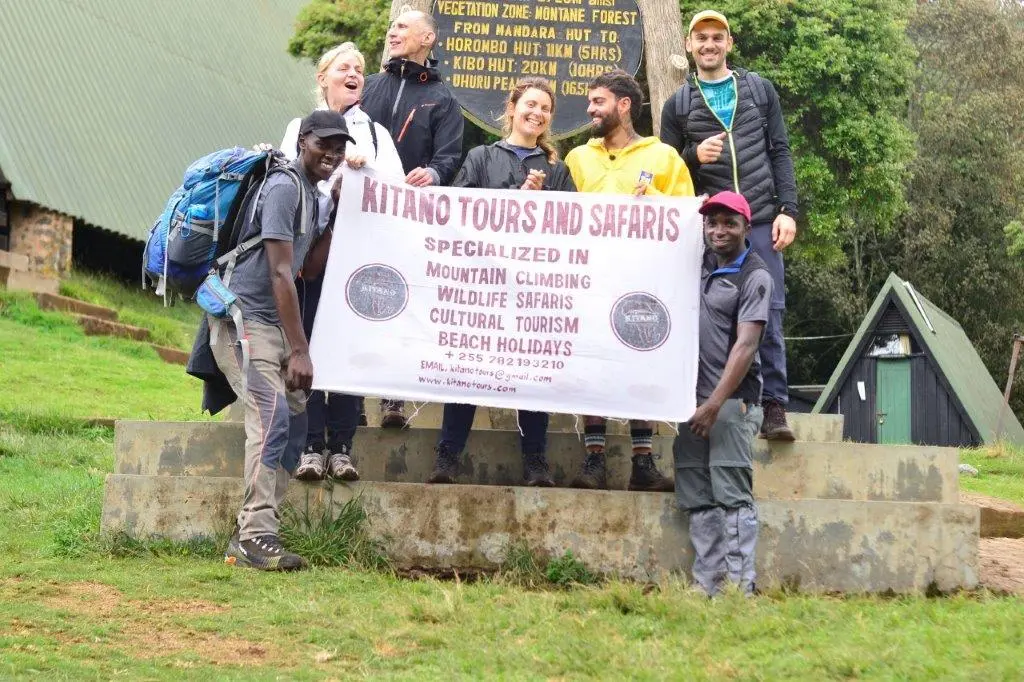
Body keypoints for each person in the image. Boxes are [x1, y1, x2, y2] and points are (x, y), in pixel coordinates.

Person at [213, 110, 353, 571]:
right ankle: (256, 534)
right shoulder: (282, 187)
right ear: (303, 141)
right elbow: (278, 271)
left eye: (340, 146)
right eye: (324, 143)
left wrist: (337, 218)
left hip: (275, 326)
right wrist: (300, 348)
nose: (332, 153)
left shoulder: (312, 197)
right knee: (272, 419)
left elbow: (306, 269)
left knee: (292, 426)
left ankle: (252, 527)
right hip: (245, 320)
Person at [426, 77, 576, 486]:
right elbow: (459, 211)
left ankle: (536, 460)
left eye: (545, 108)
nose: (537, 113)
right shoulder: (479, 156)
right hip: (482, 286)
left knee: (532, 371)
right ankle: (447, 456)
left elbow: (577, 227)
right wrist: (516, 195)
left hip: (534, 289)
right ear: (511, 108)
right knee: (469, 368)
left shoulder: (557, 170)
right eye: (530, 104)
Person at [660, 9, 798, 441]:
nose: (709, 45)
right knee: (708, 317)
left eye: (717, 37)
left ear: (729, 44)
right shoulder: (677, 104)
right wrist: (692, 157)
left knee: (769, 313)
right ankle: (702, 397)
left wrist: (788, 210)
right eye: (701, 37)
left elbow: (780, 151)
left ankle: (775, 407)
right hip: (710, 226)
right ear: (688, 45)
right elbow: (665, 168)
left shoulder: (759, 90)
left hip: (759, 219)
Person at [563, 69, 694, 492]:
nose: (589, 109)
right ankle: (594, 459)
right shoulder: (577, 158)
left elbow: (689, 218)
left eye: (597, 101)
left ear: (623, 105)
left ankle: (643, 462)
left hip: (645, 281)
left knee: (642, 363)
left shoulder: (665, 157)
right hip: (589, 280)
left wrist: (654, 200)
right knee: (593, 365)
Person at [280, 42, 405, 484]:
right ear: (323, 77)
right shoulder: (299, 126)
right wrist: (331, 185)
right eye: (344, 67)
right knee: (309, 343)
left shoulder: (377, 135)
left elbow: (396, 193)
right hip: (312, 255)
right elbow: (287, 184)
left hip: (359, 262)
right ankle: (312, 445)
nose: (354, 74)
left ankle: (343, 447)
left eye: (360, 69)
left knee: (351, 349)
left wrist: (364, 172)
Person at [361, 8, 465, 429]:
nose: (392, 31)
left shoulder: (442, 99)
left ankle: (393, 396)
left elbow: (449, 157)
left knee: (397, 301)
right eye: (392, 25)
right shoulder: (366, 87)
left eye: (403, 26)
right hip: (360, 215)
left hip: (409, 220)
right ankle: (347, 399)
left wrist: (435, 174)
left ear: (428, 39)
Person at [673, 190, 771, 597]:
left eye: (729, 222)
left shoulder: (755, 276)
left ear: (747, 227)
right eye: (712, 222)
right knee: (697, 492)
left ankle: (739, 587)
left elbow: (746, 346)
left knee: (732, 495)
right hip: (688, 401)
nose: (719, 230)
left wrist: (714, 404)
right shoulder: (694, 266)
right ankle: (706, 584)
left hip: (730, 403)